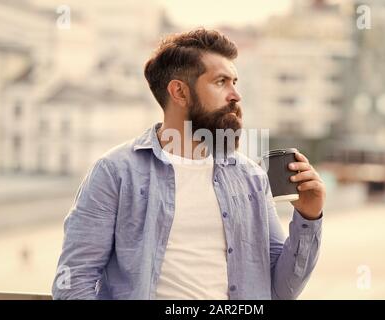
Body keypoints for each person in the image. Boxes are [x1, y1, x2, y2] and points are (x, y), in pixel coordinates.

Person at [52, 28, 325, 300]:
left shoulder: (251, 177)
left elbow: (279, 290)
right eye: (221, 82)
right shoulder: (115, 173)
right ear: (180, 92)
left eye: (235, 82)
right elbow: (73, 281)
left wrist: (309, 216)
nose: (235, 95)